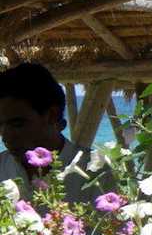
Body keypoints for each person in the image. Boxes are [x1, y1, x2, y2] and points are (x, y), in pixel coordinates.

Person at [0, 63, 109, 206]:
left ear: (51, 115)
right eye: (0, 125)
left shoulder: (97, 173)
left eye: (17, 124)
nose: (6, 137)